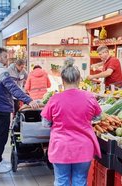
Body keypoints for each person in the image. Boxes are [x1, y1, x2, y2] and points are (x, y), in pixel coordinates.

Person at [41, 58, 101, 186]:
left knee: (61, 181)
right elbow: (98, 117)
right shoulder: (89, 97)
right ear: (79, 79)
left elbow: (45, 123)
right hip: (83, 147)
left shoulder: (55, 99)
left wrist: (56, 123)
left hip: (61, 147)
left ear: (62, 80)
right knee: (80, 181)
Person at [0, 47, 40, 174]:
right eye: (5, 56)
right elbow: (13, 89)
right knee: (1, 136)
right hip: (2, 108)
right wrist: (29, 101)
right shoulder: (1, 72)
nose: (7, 59)